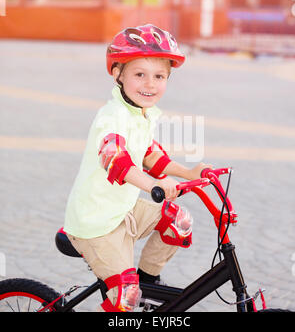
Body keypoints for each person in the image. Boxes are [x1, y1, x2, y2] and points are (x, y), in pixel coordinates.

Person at [63, 24, 211, 312]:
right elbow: (116, 161)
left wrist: (189, 173)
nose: (150, 84)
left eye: (159, 76)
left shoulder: (141, 114)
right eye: (139, 74)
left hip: (123, 211)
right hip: (96, 223)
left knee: (177, 220)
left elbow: (150, 155)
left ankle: (148, 284)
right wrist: (154, 186)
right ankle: (133, 293)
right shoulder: (113, 116)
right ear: (118, 74)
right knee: (124, 296)